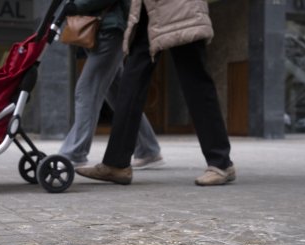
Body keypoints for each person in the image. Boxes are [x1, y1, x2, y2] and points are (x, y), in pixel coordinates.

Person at [76, 0, 236, 186]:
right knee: (131, 83)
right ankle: (116, 164)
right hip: (147, 12)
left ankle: (221, 163)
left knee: (195, 81)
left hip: (179, 9)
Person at [59, 0, 164, 169]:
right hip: (100, 30)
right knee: (119, 95)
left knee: (86, 91)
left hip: (108, 30)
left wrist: (76, 6)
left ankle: (74, 153)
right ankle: (147, 149)